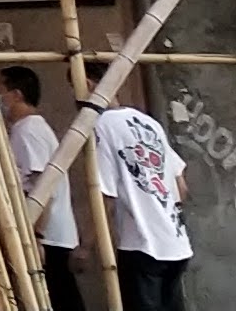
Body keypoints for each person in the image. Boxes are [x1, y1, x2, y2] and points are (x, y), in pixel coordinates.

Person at [94, 85, 191, 311]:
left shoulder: (102, 125)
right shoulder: (149, 123)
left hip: (142, 243)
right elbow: (181, 187)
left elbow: (104, 194)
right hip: (175, 243)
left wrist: (87, 244)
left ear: (87, 84)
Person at [0, 68, 88, 311]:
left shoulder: (29, 130)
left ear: (16, 94)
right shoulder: (26, 129)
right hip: (49, 234)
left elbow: (43, 187)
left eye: (0, 92)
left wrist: (37, 235)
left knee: (60, 298)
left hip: (48, 236)